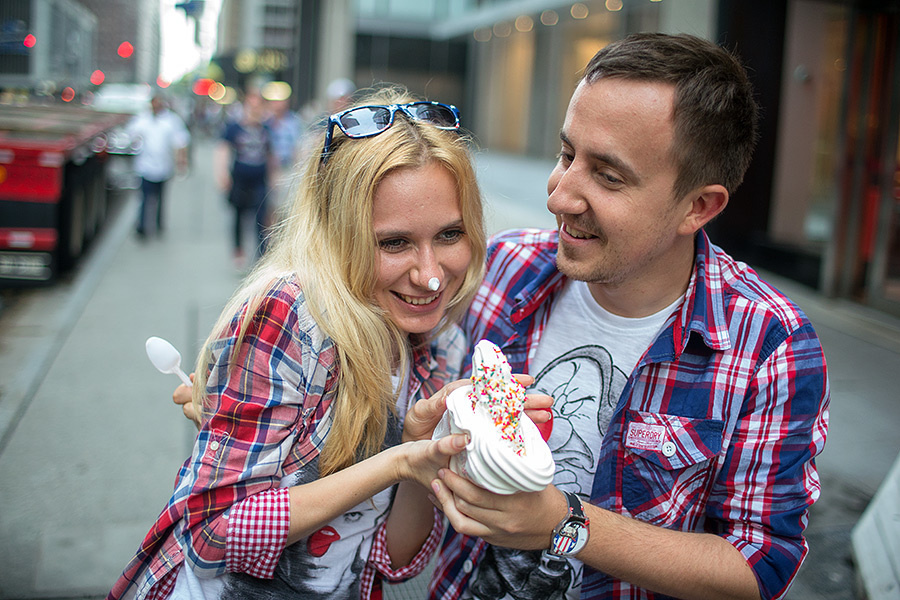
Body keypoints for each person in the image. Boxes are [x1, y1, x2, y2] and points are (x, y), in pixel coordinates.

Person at [426, 33, 830, 600]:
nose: (560, 196)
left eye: (608, 176)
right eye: (567, 154)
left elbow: (759, 565)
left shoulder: (769, 345)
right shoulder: (503, 268)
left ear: (699, 206)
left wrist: (568, 524)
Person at [109, 87, 552, 600]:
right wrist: (395, 461)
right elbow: (215, 535)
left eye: (450, 235)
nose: (431, 277)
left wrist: (430, 446)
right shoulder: (290, 314)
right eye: (394, 242)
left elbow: (392, 560)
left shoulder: (442, 345)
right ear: (336, 234)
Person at [216, 89, 277, 268]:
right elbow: (223, 150)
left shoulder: (265, 129)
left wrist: (274, 178)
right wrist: (222, 174)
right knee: (238, 216)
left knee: (261, 217)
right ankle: (238, 250)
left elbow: (271, 155)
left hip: (260, 179)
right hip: (240, 179)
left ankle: (262, 256)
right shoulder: (234, 128)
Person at [126, 92, 190, 238]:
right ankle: (142, 227)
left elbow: (181, 140)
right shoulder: (142, 119)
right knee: (145, 198)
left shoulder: (171, 120)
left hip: (164, 167)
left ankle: (158, 225)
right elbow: (131, 134)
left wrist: (182, 162)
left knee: (160, 198)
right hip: (145, 167)